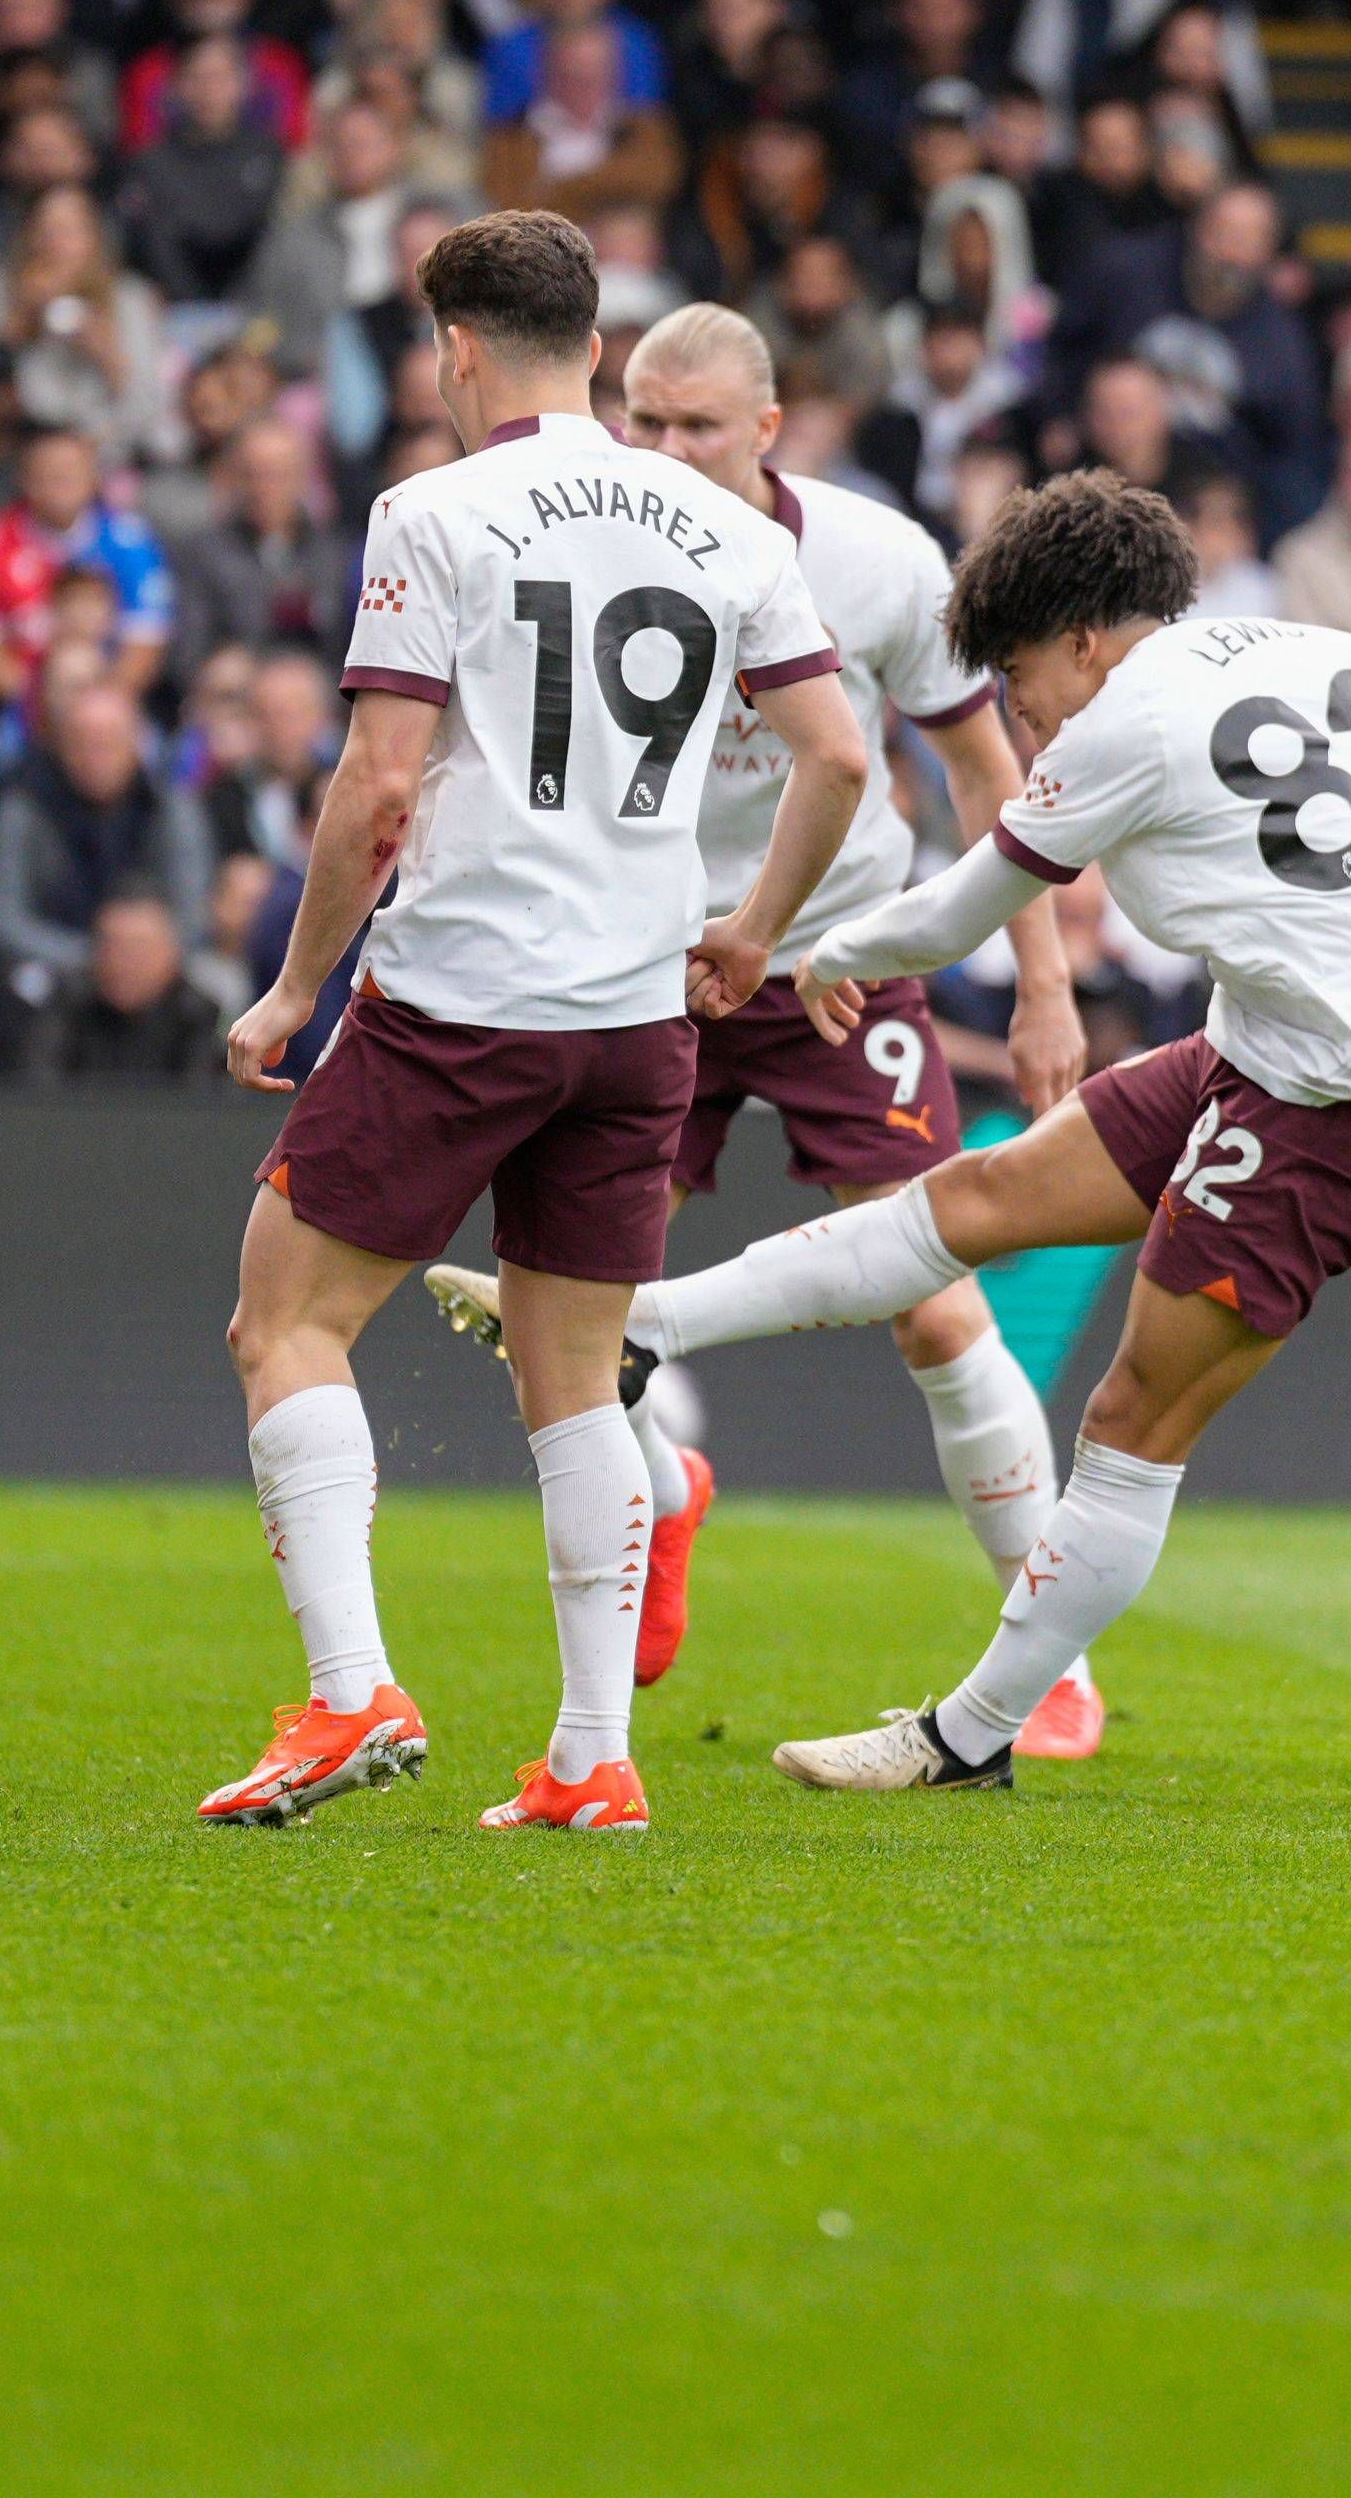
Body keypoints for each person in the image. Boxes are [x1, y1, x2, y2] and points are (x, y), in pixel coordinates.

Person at [613, 470, 1351, 1795]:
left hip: (1335, 1110)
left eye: (1019, 673)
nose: (1015, 709)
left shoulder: (1119, 726)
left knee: (1135, 1414)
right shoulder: (1325, 651)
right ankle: (651, 1331)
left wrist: (812, 948)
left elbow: (952, 914)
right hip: (1254, 1055)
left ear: (1085, 635)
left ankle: (967, 1736)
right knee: (974, 1201)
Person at [204, 209, 870, 1838]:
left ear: (454, 350)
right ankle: (589, 1755)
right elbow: (840, 757)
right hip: (643, 1015)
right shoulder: (729, 530)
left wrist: (299, 988)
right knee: (574, 1382)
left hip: (460, 1001)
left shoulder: (431, 512)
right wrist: (756, 931)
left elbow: (375, 792)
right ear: (593, 342)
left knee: (282, 1321)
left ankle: (349, 1687)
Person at [420, 303, 1105, 1754]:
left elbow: (992, 779)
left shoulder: (875, 564)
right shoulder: (577, 534)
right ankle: (666, 1489)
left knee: (929, 1297)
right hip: (637, 966)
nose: (663, 448)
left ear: (768, 430)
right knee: (565, 1314)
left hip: (832, 965)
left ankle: (1046, 1662)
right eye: (644, 421)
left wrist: (1043, 984)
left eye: (696, 427)